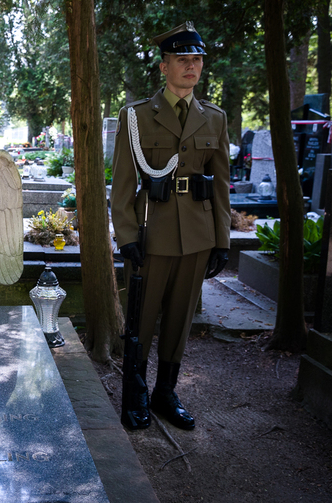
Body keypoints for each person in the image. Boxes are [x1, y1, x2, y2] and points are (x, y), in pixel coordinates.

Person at [110, 21, 231, 431]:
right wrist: (126, 235)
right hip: (151, 232)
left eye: (196, 59)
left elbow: (221, 185)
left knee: (180, 321)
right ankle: (136, 393)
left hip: (197, 235)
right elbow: (123, 183)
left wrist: (222, 241)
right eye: (182, 59)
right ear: (164, 67)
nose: (191, 66)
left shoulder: (214, 118)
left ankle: (166, 392)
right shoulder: (136, 116)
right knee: (142, 320)